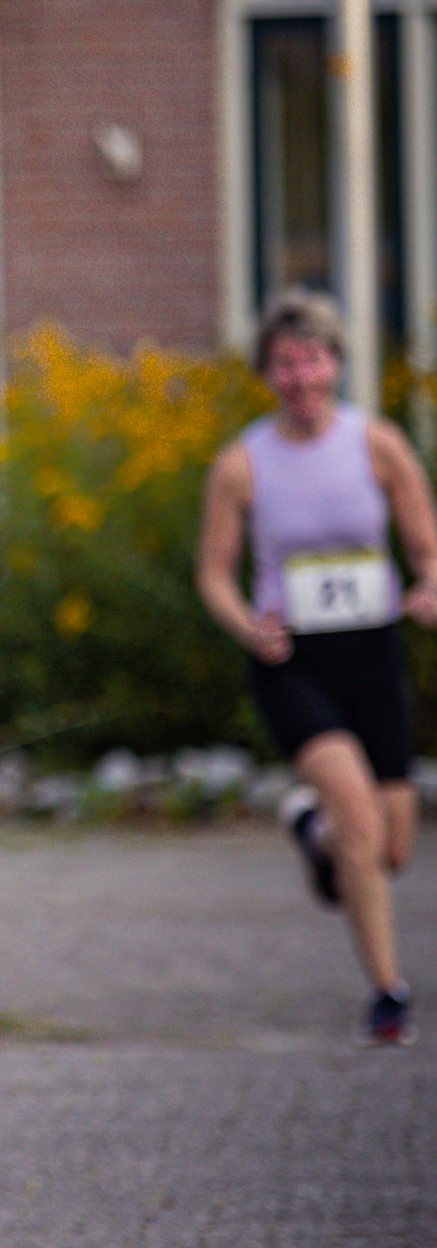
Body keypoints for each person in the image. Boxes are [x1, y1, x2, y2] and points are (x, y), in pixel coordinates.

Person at [197, 288, 437, 1044]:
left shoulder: (378, 444)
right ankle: (388, 993)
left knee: (392, 843)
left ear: (335, 364)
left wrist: (429, 584)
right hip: (293, 659)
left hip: (371, 652)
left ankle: (312, 830)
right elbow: (212, 573)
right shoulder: (242, 464)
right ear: (267, 373)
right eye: (284, 365)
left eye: (312, 361)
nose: (299, 378)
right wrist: (248, 626)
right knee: (361, 821)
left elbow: (426, 546)